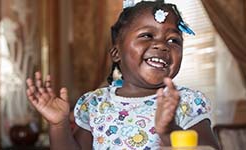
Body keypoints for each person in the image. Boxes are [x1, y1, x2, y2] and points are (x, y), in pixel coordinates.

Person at [26, 1, 220, 149]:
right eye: (147, 35)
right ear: (116, 52)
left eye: (173, 40)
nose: (162, 45)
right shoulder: (95, 104)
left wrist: (169, 132)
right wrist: (59, 125)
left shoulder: (187, 102)